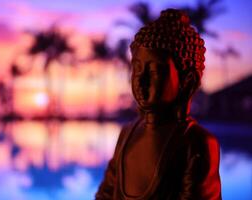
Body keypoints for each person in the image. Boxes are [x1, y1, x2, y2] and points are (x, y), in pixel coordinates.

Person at [95, 9, 222, 200]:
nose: (141, 80)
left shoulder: (195, 143)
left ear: (187, 81)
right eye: (137, 69)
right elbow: (105, 194)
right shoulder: (127, 134)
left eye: (154, 71)